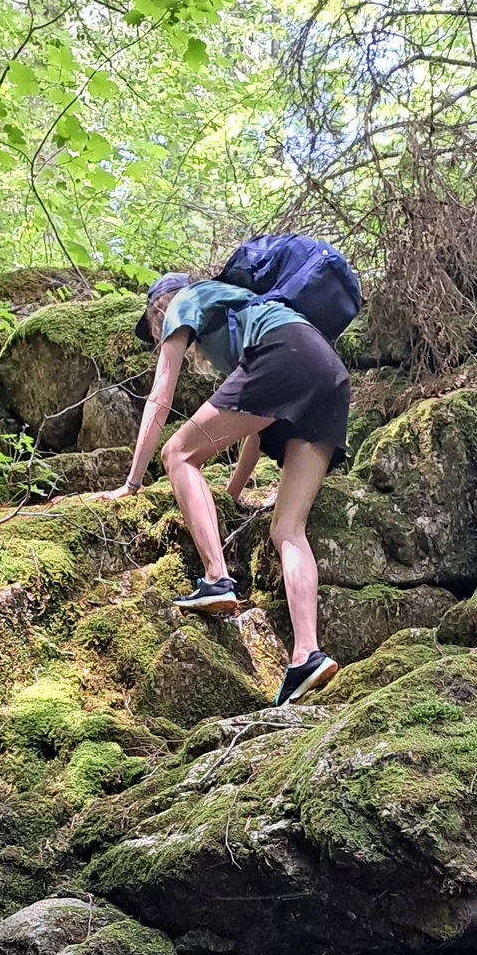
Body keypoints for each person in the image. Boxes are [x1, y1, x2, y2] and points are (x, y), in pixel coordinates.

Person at [116, 267, 350, 708]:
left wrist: (131, 484)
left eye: (154, 326)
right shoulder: (241, 308)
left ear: (159, 308)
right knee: (288, 529)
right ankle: (307, 654)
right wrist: (232, 493)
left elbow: (160, 396)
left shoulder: (184, 302)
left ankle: (216, 578)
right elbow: (257, 425)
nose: (159, 335)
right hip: (326, 371)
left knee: (178, 456)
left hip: (286, 356)